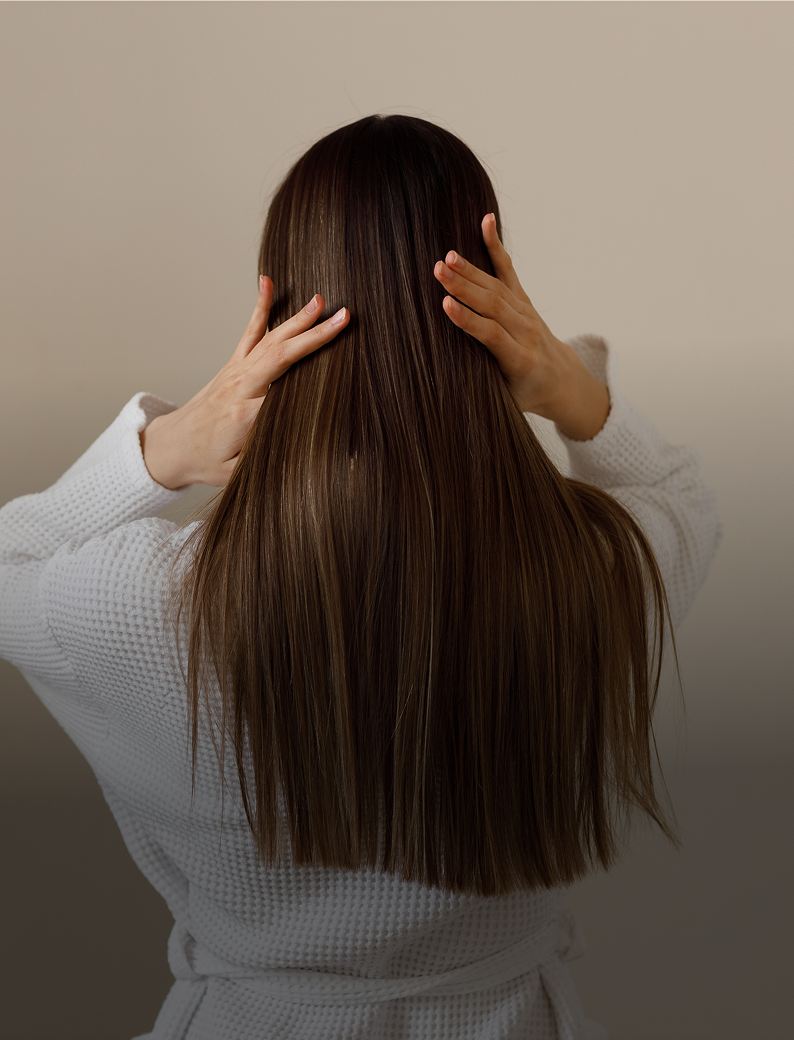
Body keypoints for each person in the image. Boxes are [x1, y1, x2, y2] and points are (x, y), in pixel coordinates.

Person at [0, 114, 721, 1040]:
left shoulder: (153, 603)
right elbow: (680, 496)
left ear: (280, 317)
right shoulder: (595, 572)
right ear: (496, 311)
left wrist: (161, 451)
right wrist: (571, 390)